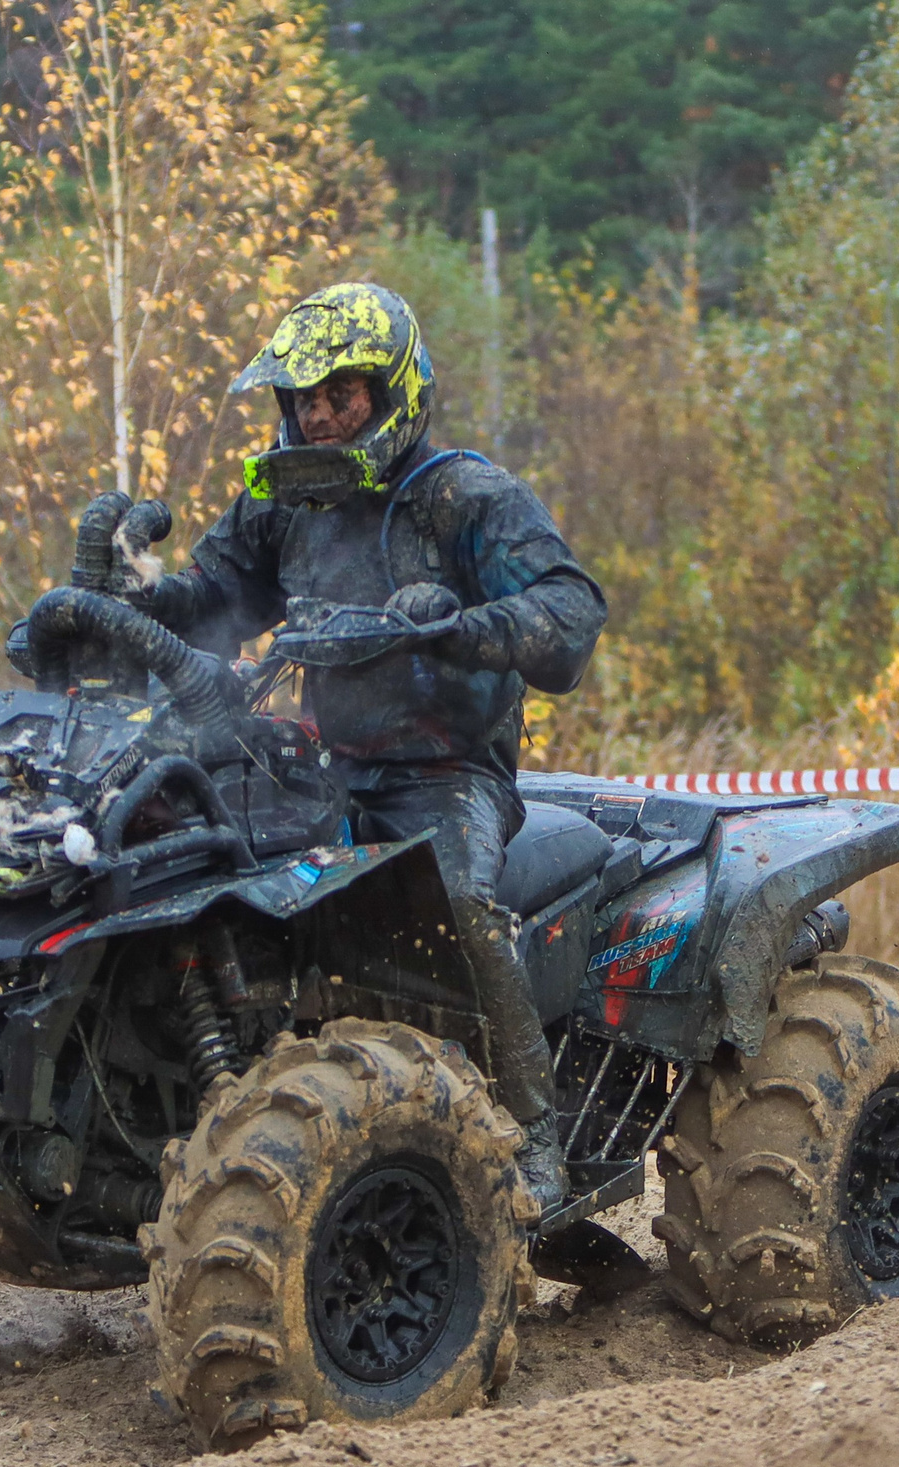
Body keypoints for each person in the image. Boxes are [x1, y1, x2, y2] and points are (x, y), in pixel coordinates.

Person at [134, 282, 606, 1207]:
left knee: (459, 903)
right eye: (302, 398)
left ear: (392, 393)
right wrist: (135, 589)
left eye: (338, 395)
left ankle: (537, 1139)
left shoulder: (464, 498)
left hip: (445, 774)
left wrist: (458, 625)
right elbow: (212, 603)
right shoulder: (283, 504)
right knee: (179, 851)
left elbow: (572, 616)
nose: (315, 415)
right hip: (320, 764)